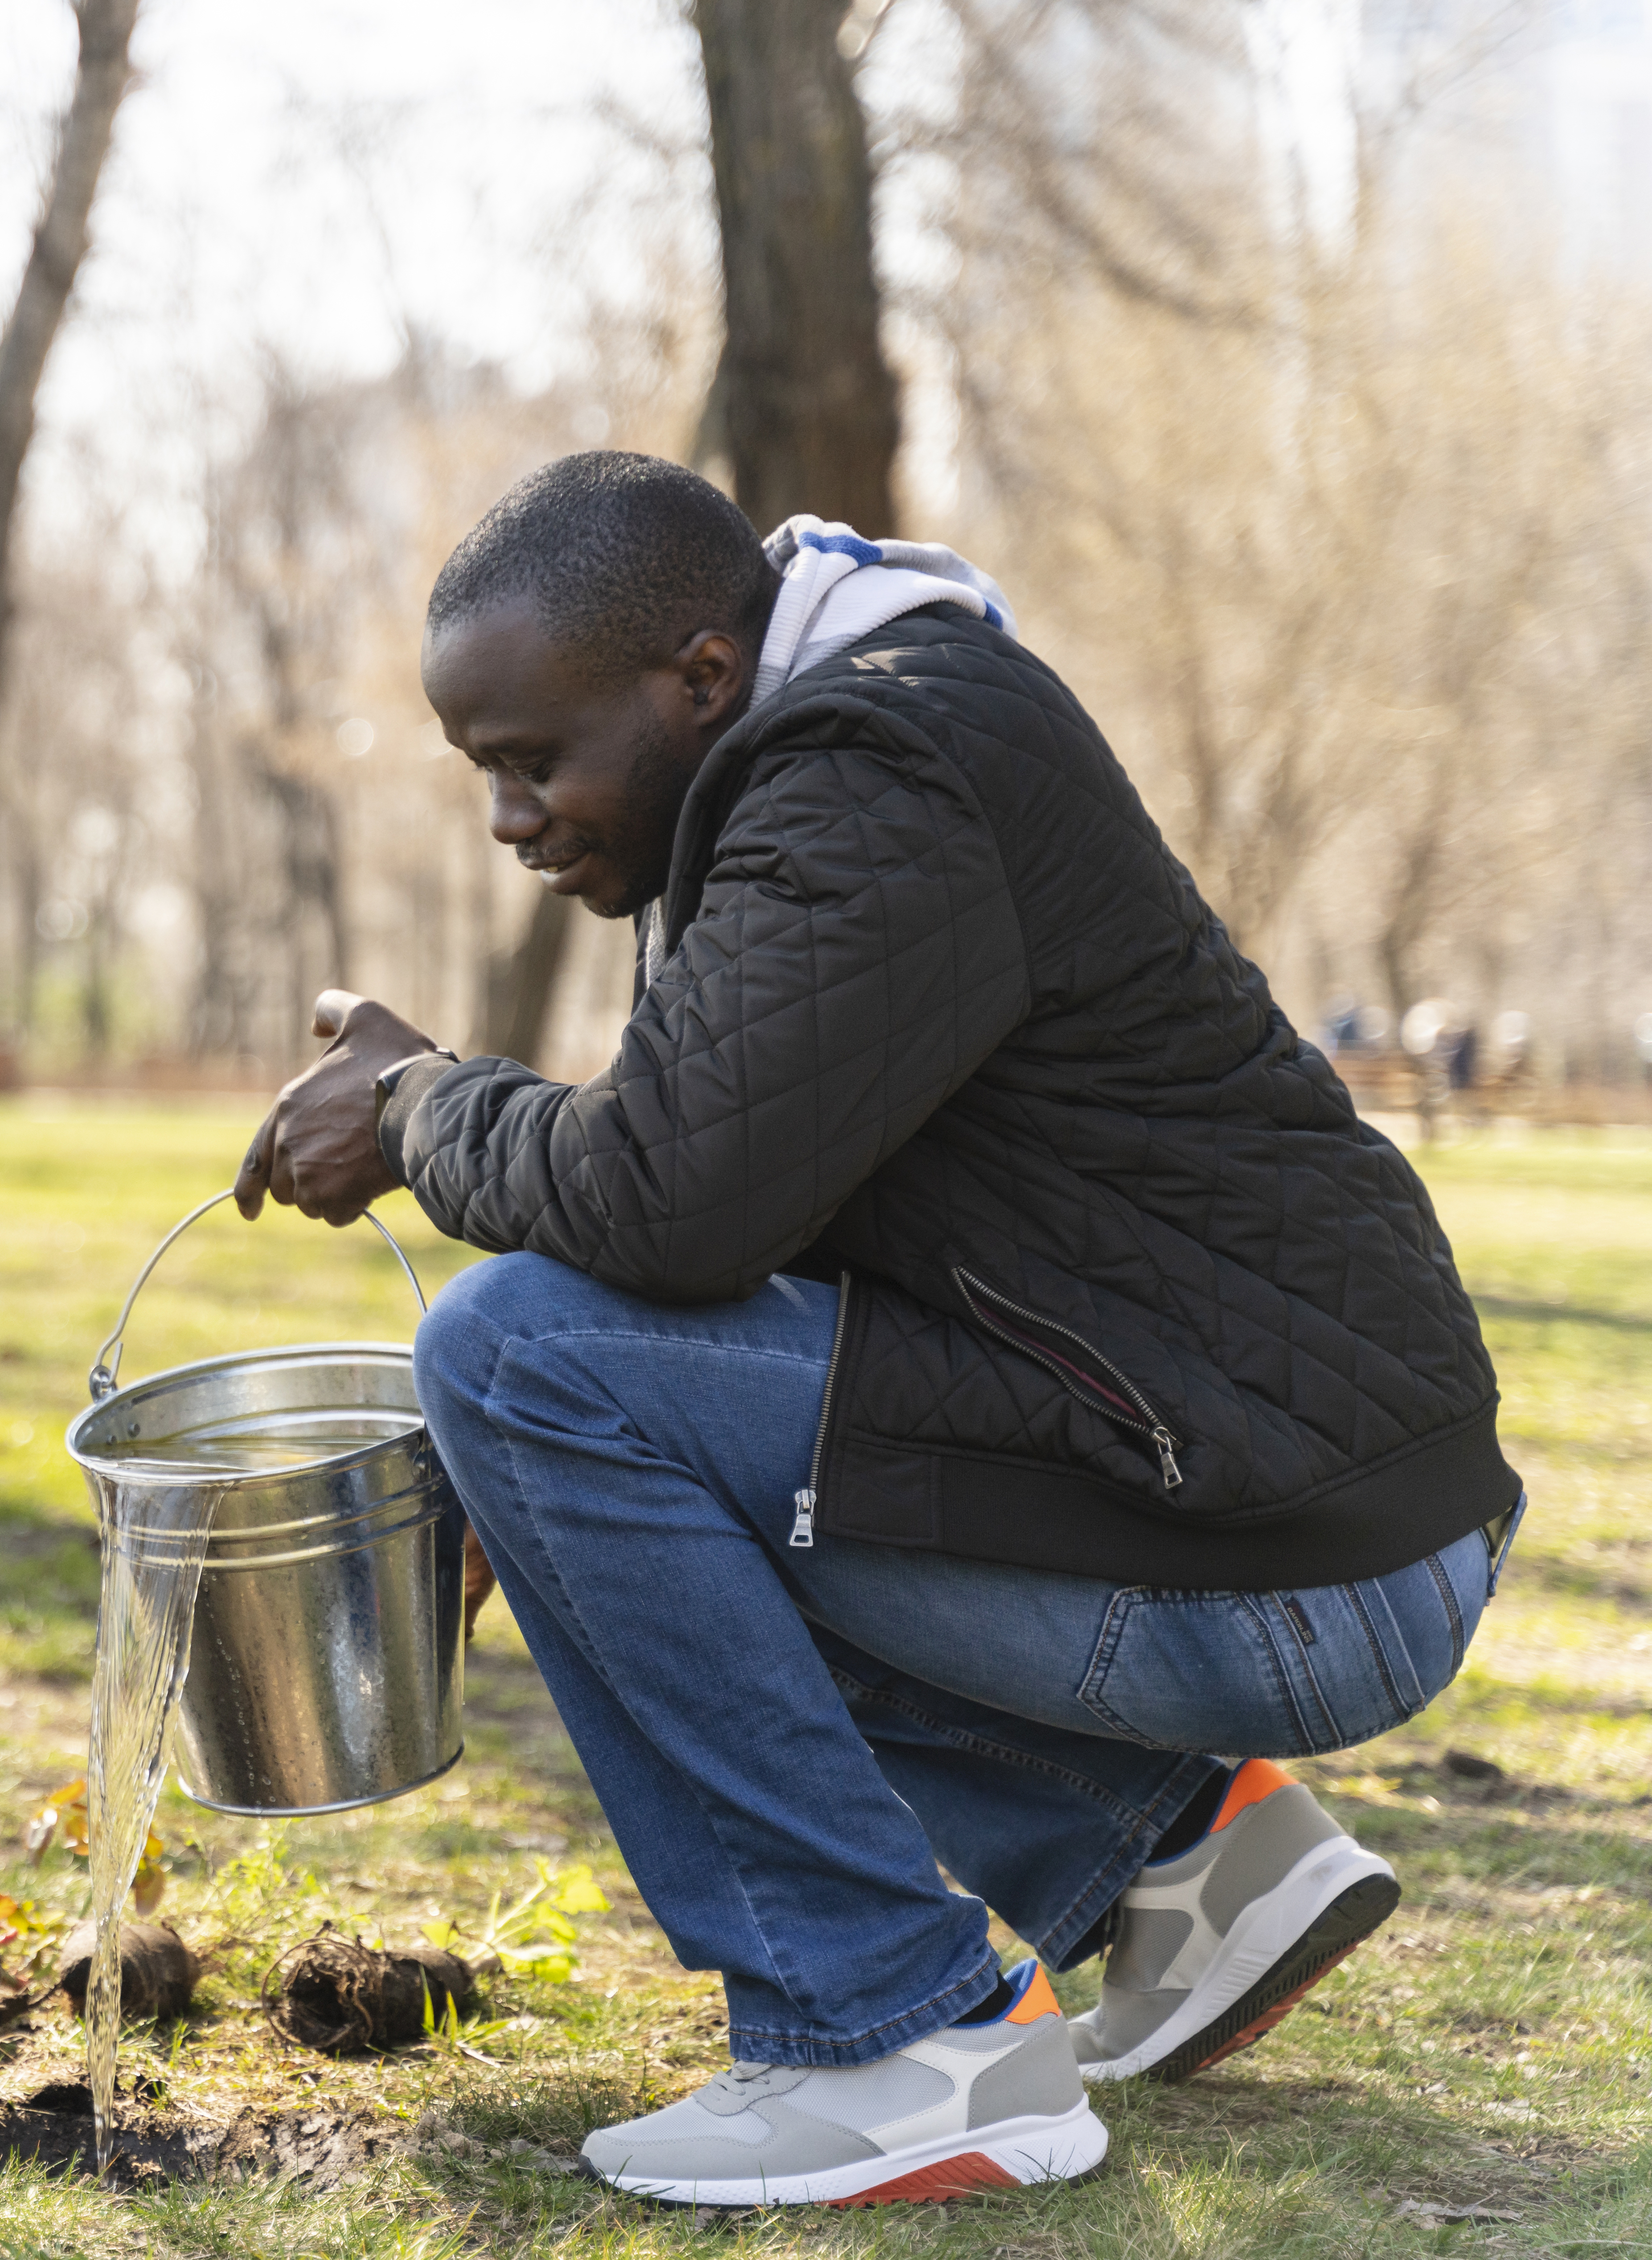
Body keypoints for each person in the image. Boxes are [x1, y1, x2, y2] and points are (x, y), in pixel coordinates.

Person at [238, 453, 1519, 2208]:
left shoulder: (869, 779)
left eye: (534, 761)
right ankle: (1174, 1867)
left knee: (507, 1353)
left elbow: (660, 1202)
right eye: (487, 776)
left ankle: (884, 2036)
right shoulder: (842, 760)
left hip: (1297, 1554)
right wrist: (525, 1499)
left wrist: (417, 1108)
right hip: (1307, 1501)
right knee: (552, 1394)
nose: (511, 821)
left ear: (695, 677)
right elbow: (727, 1227)